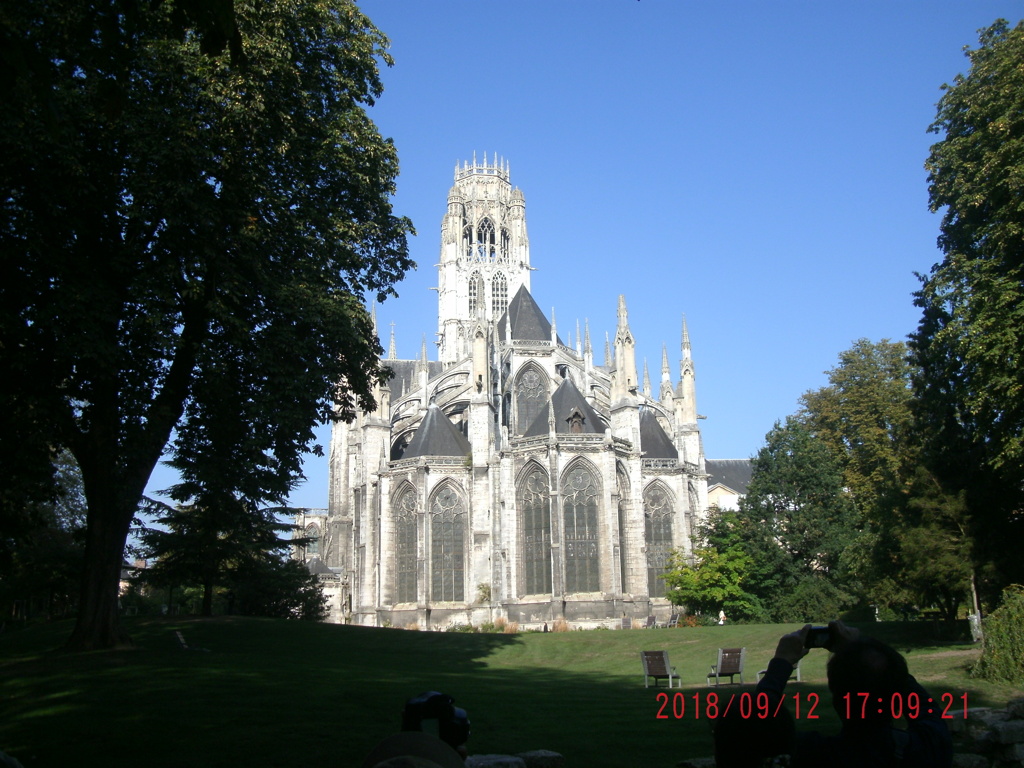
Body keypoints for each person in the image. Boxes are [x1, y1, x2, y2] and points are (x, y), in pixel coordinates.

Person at [715, 621, 953, 768]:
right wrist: (861, 646)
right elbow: (922, 704)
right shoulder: (928, 748)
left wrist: (781, 663)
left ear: (837, 697)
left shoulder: (812, 755)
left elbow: (754, 727)